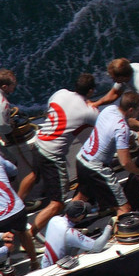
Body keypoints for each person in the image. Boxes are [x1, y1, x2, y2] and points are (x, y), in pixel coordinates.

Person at [27, 72, 99, 233]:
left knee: (33, 175)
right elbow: (104, 125)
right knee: (57, 203)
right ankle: (30, 236)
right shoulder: (89, 111)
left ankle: (18, 202)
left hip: (39, 144)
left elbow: (50, 111)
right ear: (90, 91)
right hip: (52, 156)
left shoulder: (60, 93)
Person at [76, 90, 139, 218]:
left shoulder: (110, 109)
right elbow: (125, 162)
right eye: (138, 110)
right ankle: (122, 236)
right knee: (124, 208)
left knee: (82, 197)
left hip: (81, 160)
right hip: (97, 168)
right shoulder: (121, 129)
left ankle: (65, 225)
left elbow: (125, 123)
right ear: (130, 110)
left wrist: (138, 134)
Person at [37, 200, 112, 268]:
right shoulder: (70, 234)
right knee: (87, 250)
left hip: (45, 264)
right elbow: (97, 247)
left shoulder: (54, 220)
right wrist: (109, 228)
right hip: (57, 269)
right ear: (79, 216)